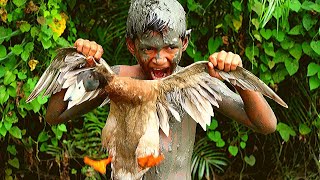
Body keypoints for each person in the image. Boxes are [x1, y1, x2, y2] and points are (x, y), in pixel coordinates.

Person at [45, 0, 277, 179]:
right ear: (131, 45)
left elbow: (266, 124)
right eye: (148, 49)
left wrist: (235, 75)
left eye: (170, 47)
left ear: (184, 43)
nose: (159, 59)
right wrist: (78, 64)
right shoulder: (115, 79)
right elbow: (54, 116)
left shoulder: (195, 83)